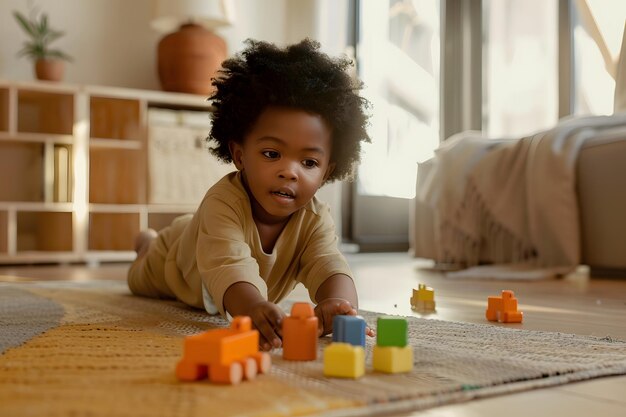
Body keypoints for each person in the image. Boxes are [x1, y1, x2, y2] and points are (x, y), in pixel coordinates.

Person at [128, 38, 372, 351]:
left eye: (309, 162)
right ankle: (146, 243)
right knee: (138, 279)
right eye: (272, 154)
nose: (290, 171)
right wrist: (254, 305)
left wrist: (340, 304)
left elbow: (328, 263)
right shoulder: (224, 203)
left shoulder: (314, 220)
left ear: (326, 171)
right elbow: (229, 265)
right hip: (175, 261)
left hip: (203, 233)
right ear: (240, 156)